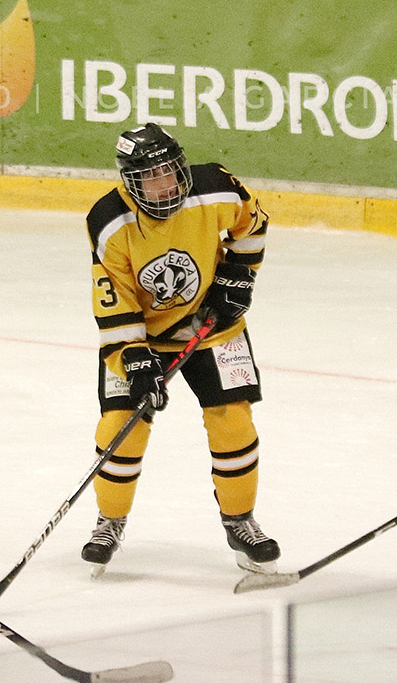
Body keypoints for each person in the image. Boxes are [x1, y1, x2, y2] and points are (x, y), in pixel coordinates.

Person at [80, 122, 278, 575]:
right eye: (150, 178)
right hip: (142, 336)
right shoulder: (109, 221)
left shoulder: (215, 187)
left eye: (169, 172)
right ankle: (109, 520)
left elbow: (254, 222)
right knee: (120, 428)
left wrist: (238, 276)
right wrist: (136, 358)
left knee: (233, 421)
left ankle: (240, 519)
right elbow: (115, 298)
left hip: (212, 328)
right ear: (130, 182)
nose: (164, 185)